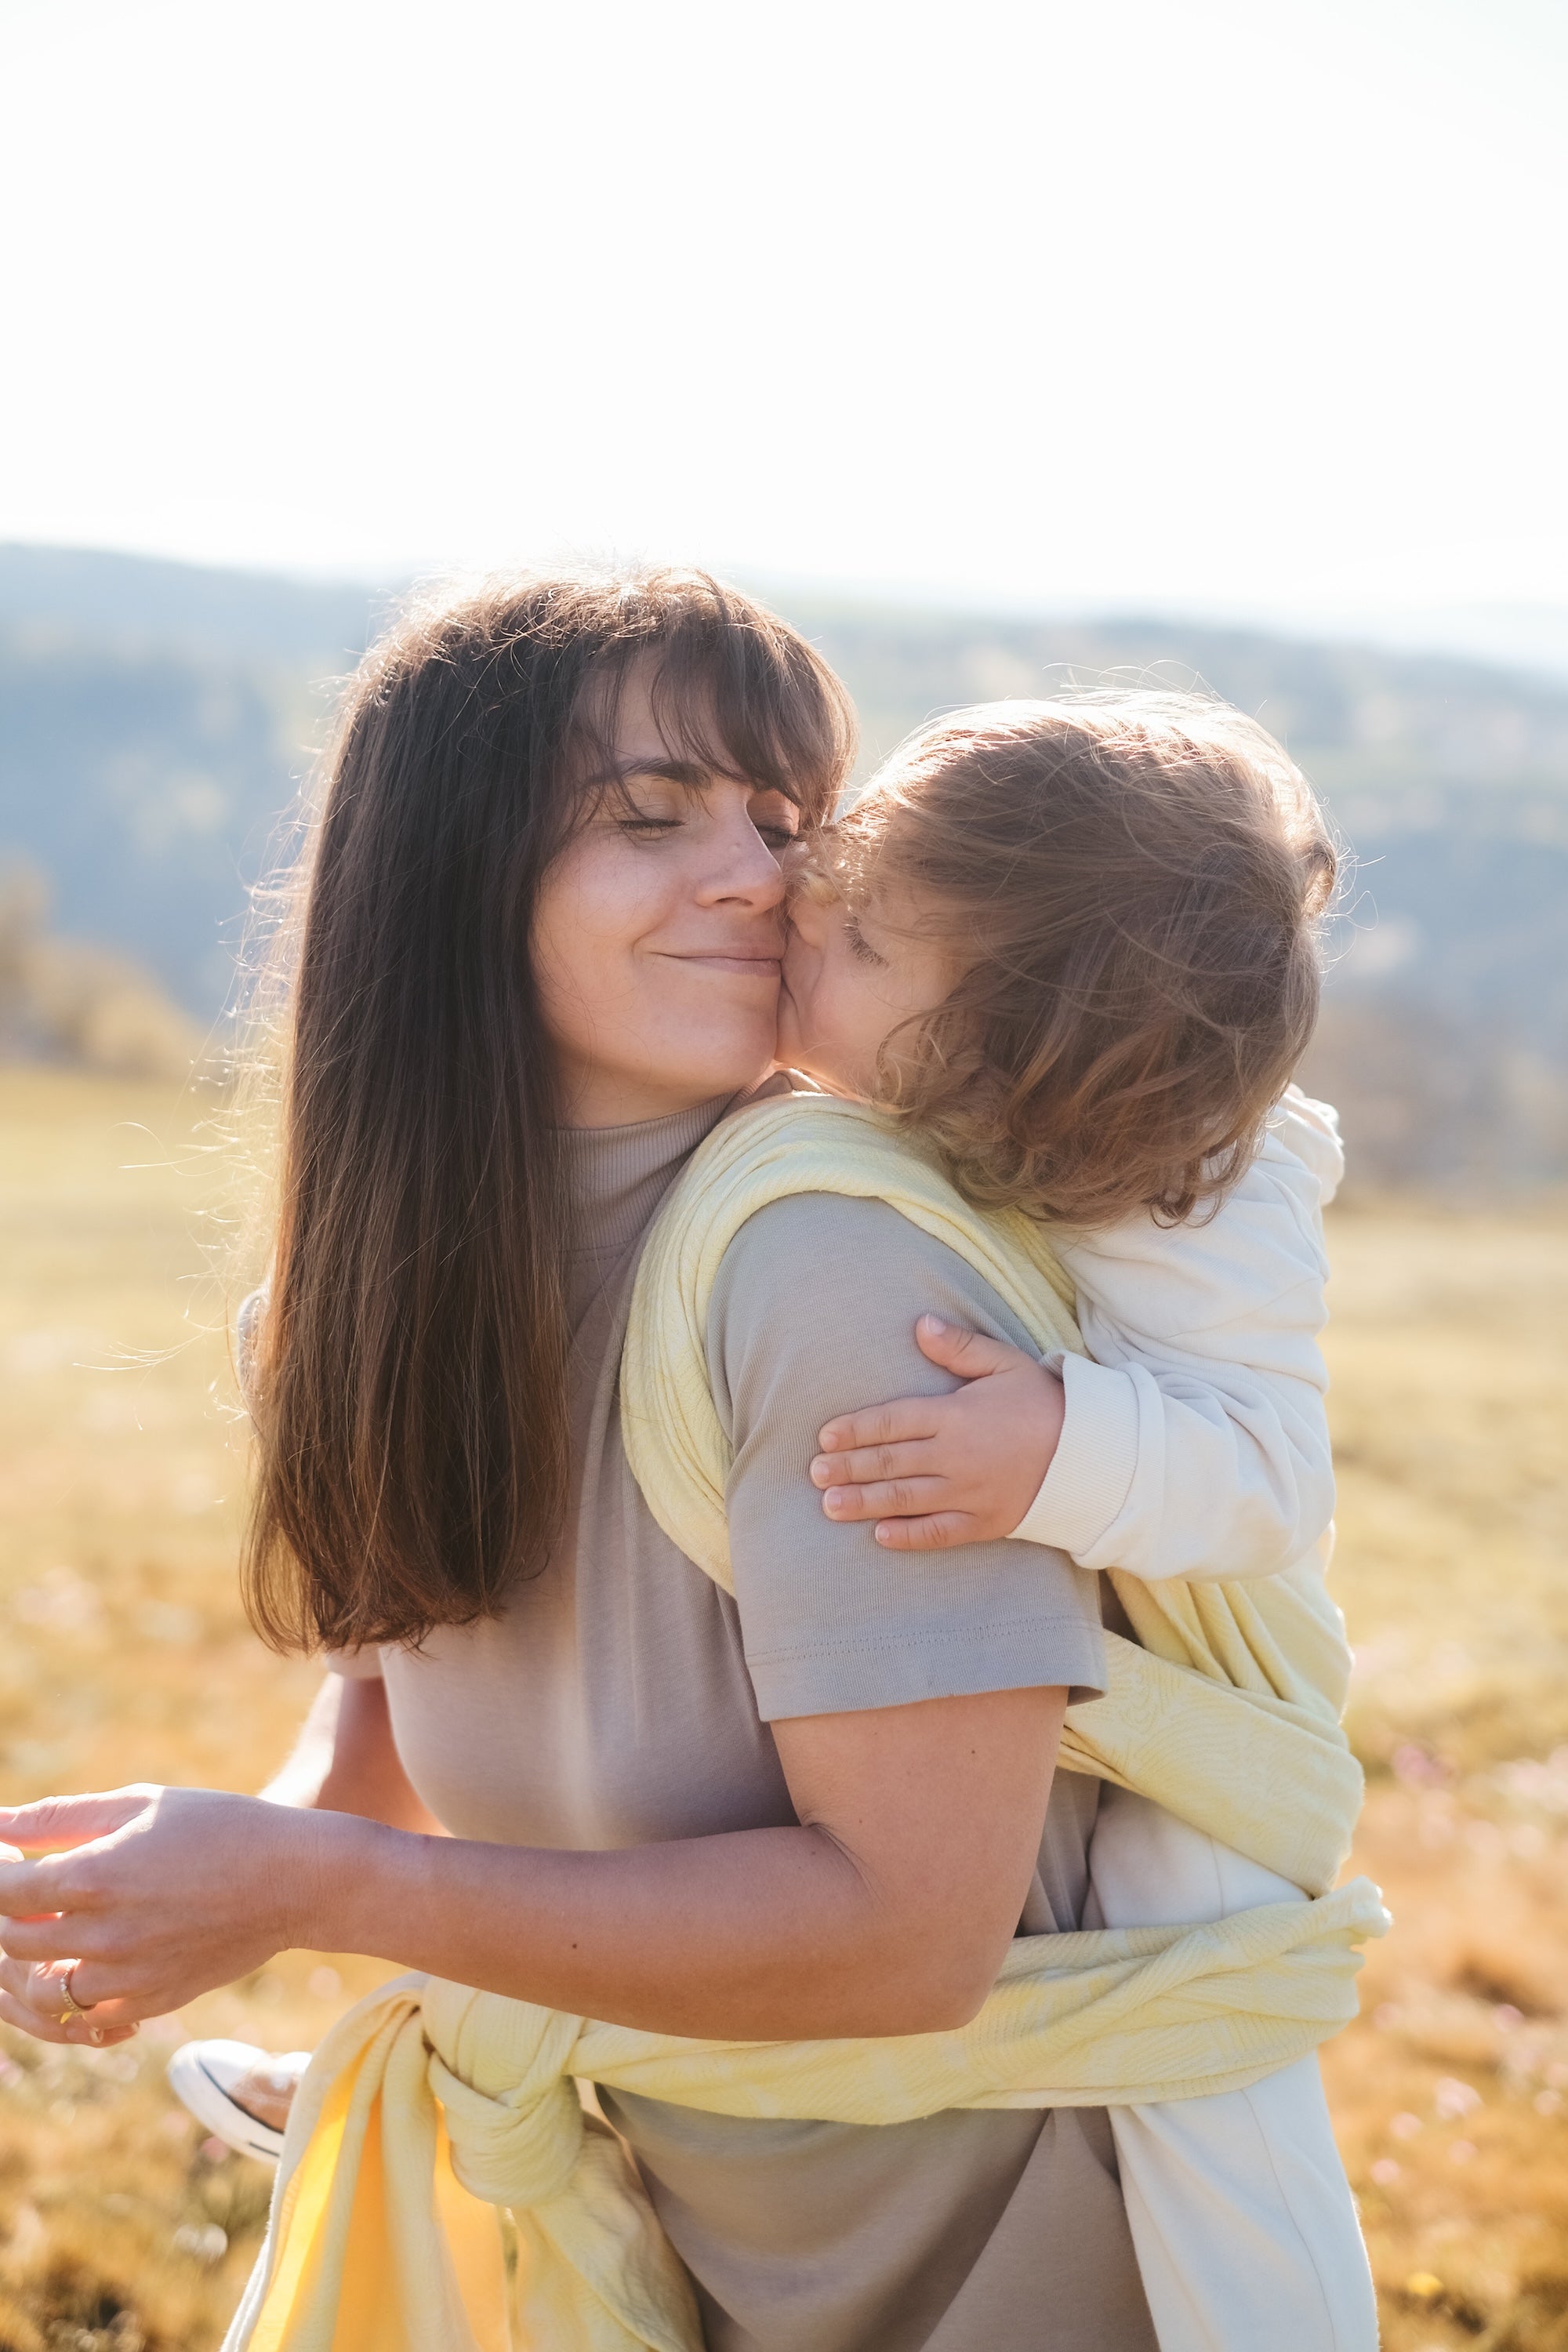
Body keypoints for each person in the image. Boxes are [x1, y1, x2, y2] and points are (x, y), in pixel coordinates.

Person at [0, 574, 1163, 2351]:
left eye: (786, 819)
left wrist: (314, 1890)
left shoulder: (831, 1271)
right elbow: (387, 1728)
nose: (760, 872)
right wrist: (155, 1887)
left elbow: (909, 1935)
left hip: (979, 2254)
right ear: (449, 873)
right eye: (649, 817)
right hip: (636, 2226)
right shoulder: (334, 1314)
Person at [768, 695, 1377, 2349]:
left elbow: (1270, 1475)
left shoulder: (1208, 1193)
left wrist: (1060, 1445)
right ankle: (452, 2043)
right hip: (1043, 1676)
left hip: (1205, 1719)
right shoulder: (909, 1108)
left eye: (865, 938)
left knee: (1203, 2059)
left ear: (1016, 1050)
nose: (799, 929)